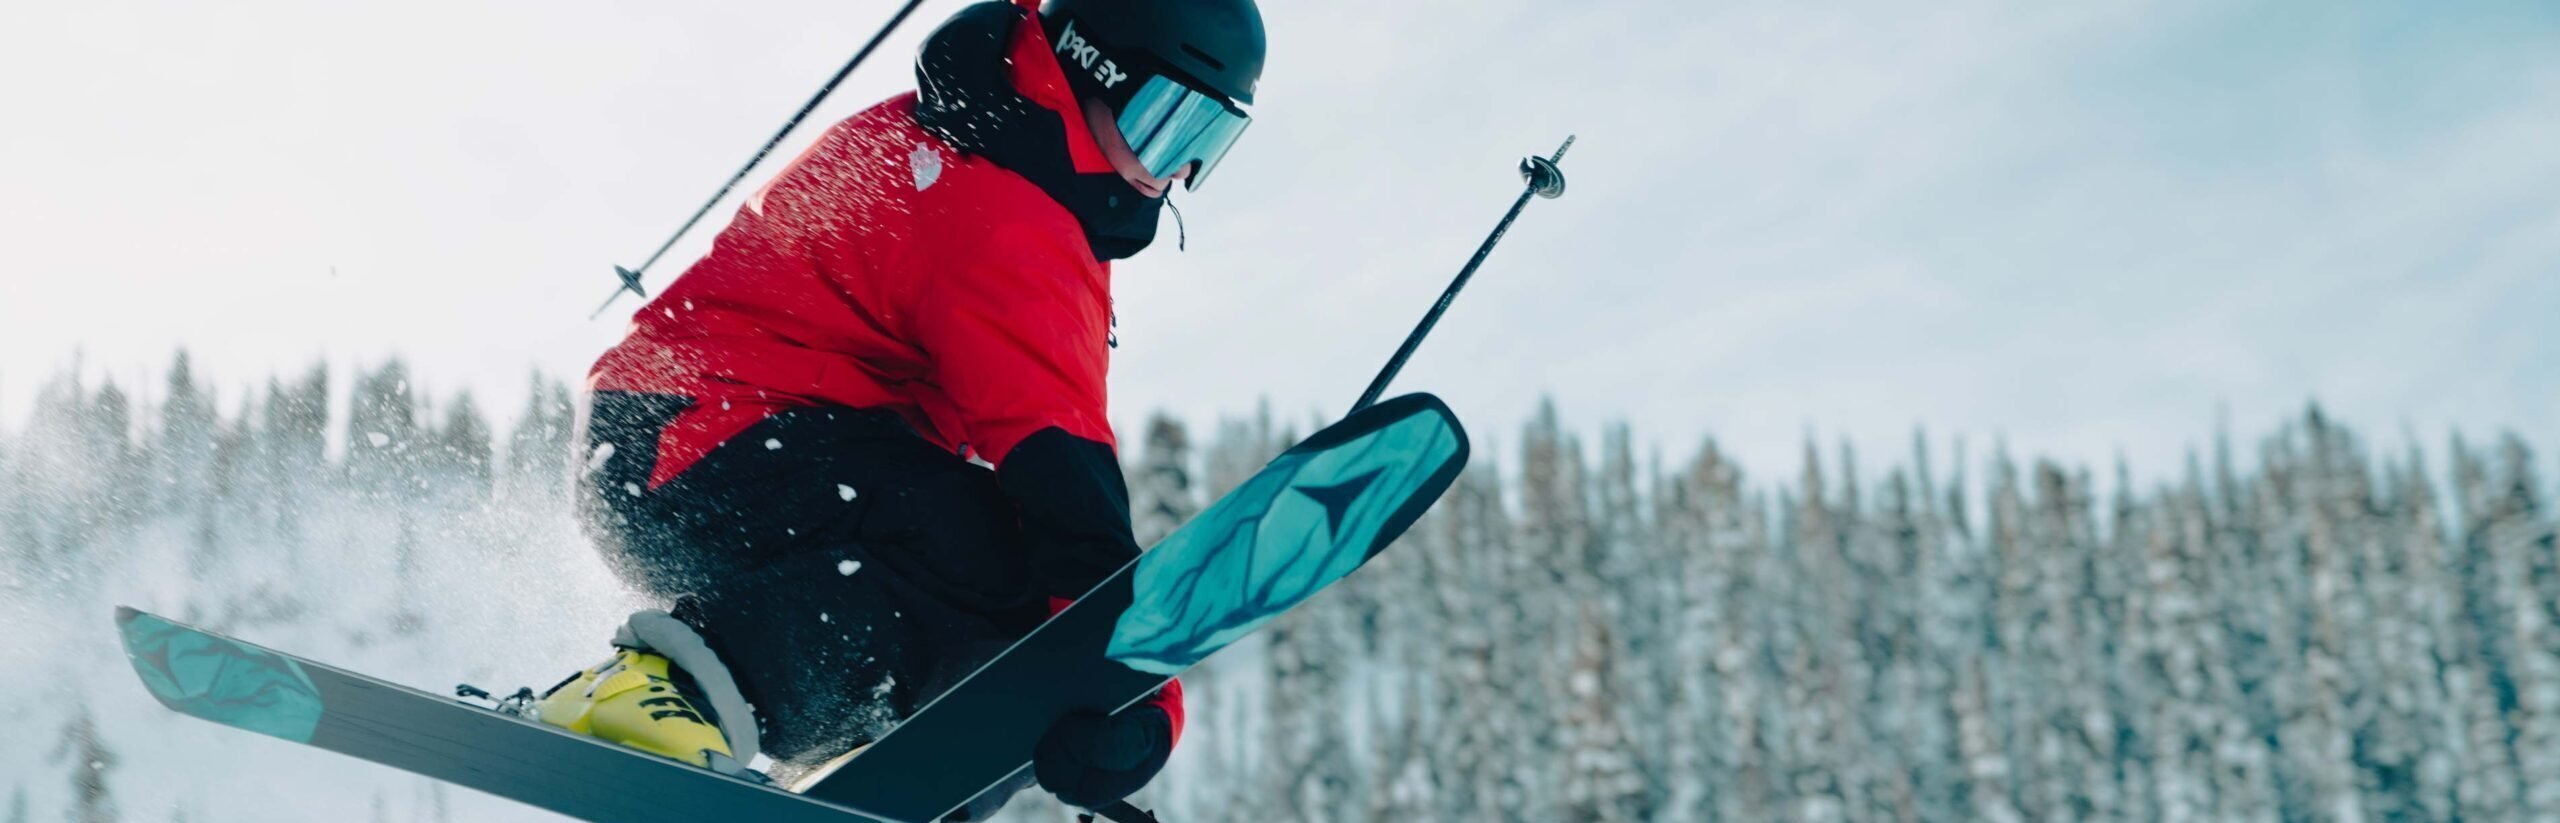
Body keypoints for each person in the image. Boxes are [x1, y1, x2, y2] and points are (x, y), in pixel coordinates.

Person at [525, 0, 1264, 816]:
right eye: (1169, 122)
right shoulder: (1011, 206)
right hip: (698, 440)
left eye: (1210, 145)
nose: (1176, 172)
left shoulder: (989, 137)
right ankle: (662, 687)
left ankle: (865, 747)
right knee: (993, 557)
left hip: (689, 453)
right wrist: (1132, 681)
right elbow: (1059, 467)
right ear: (1095, 64)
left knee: (995, 596)